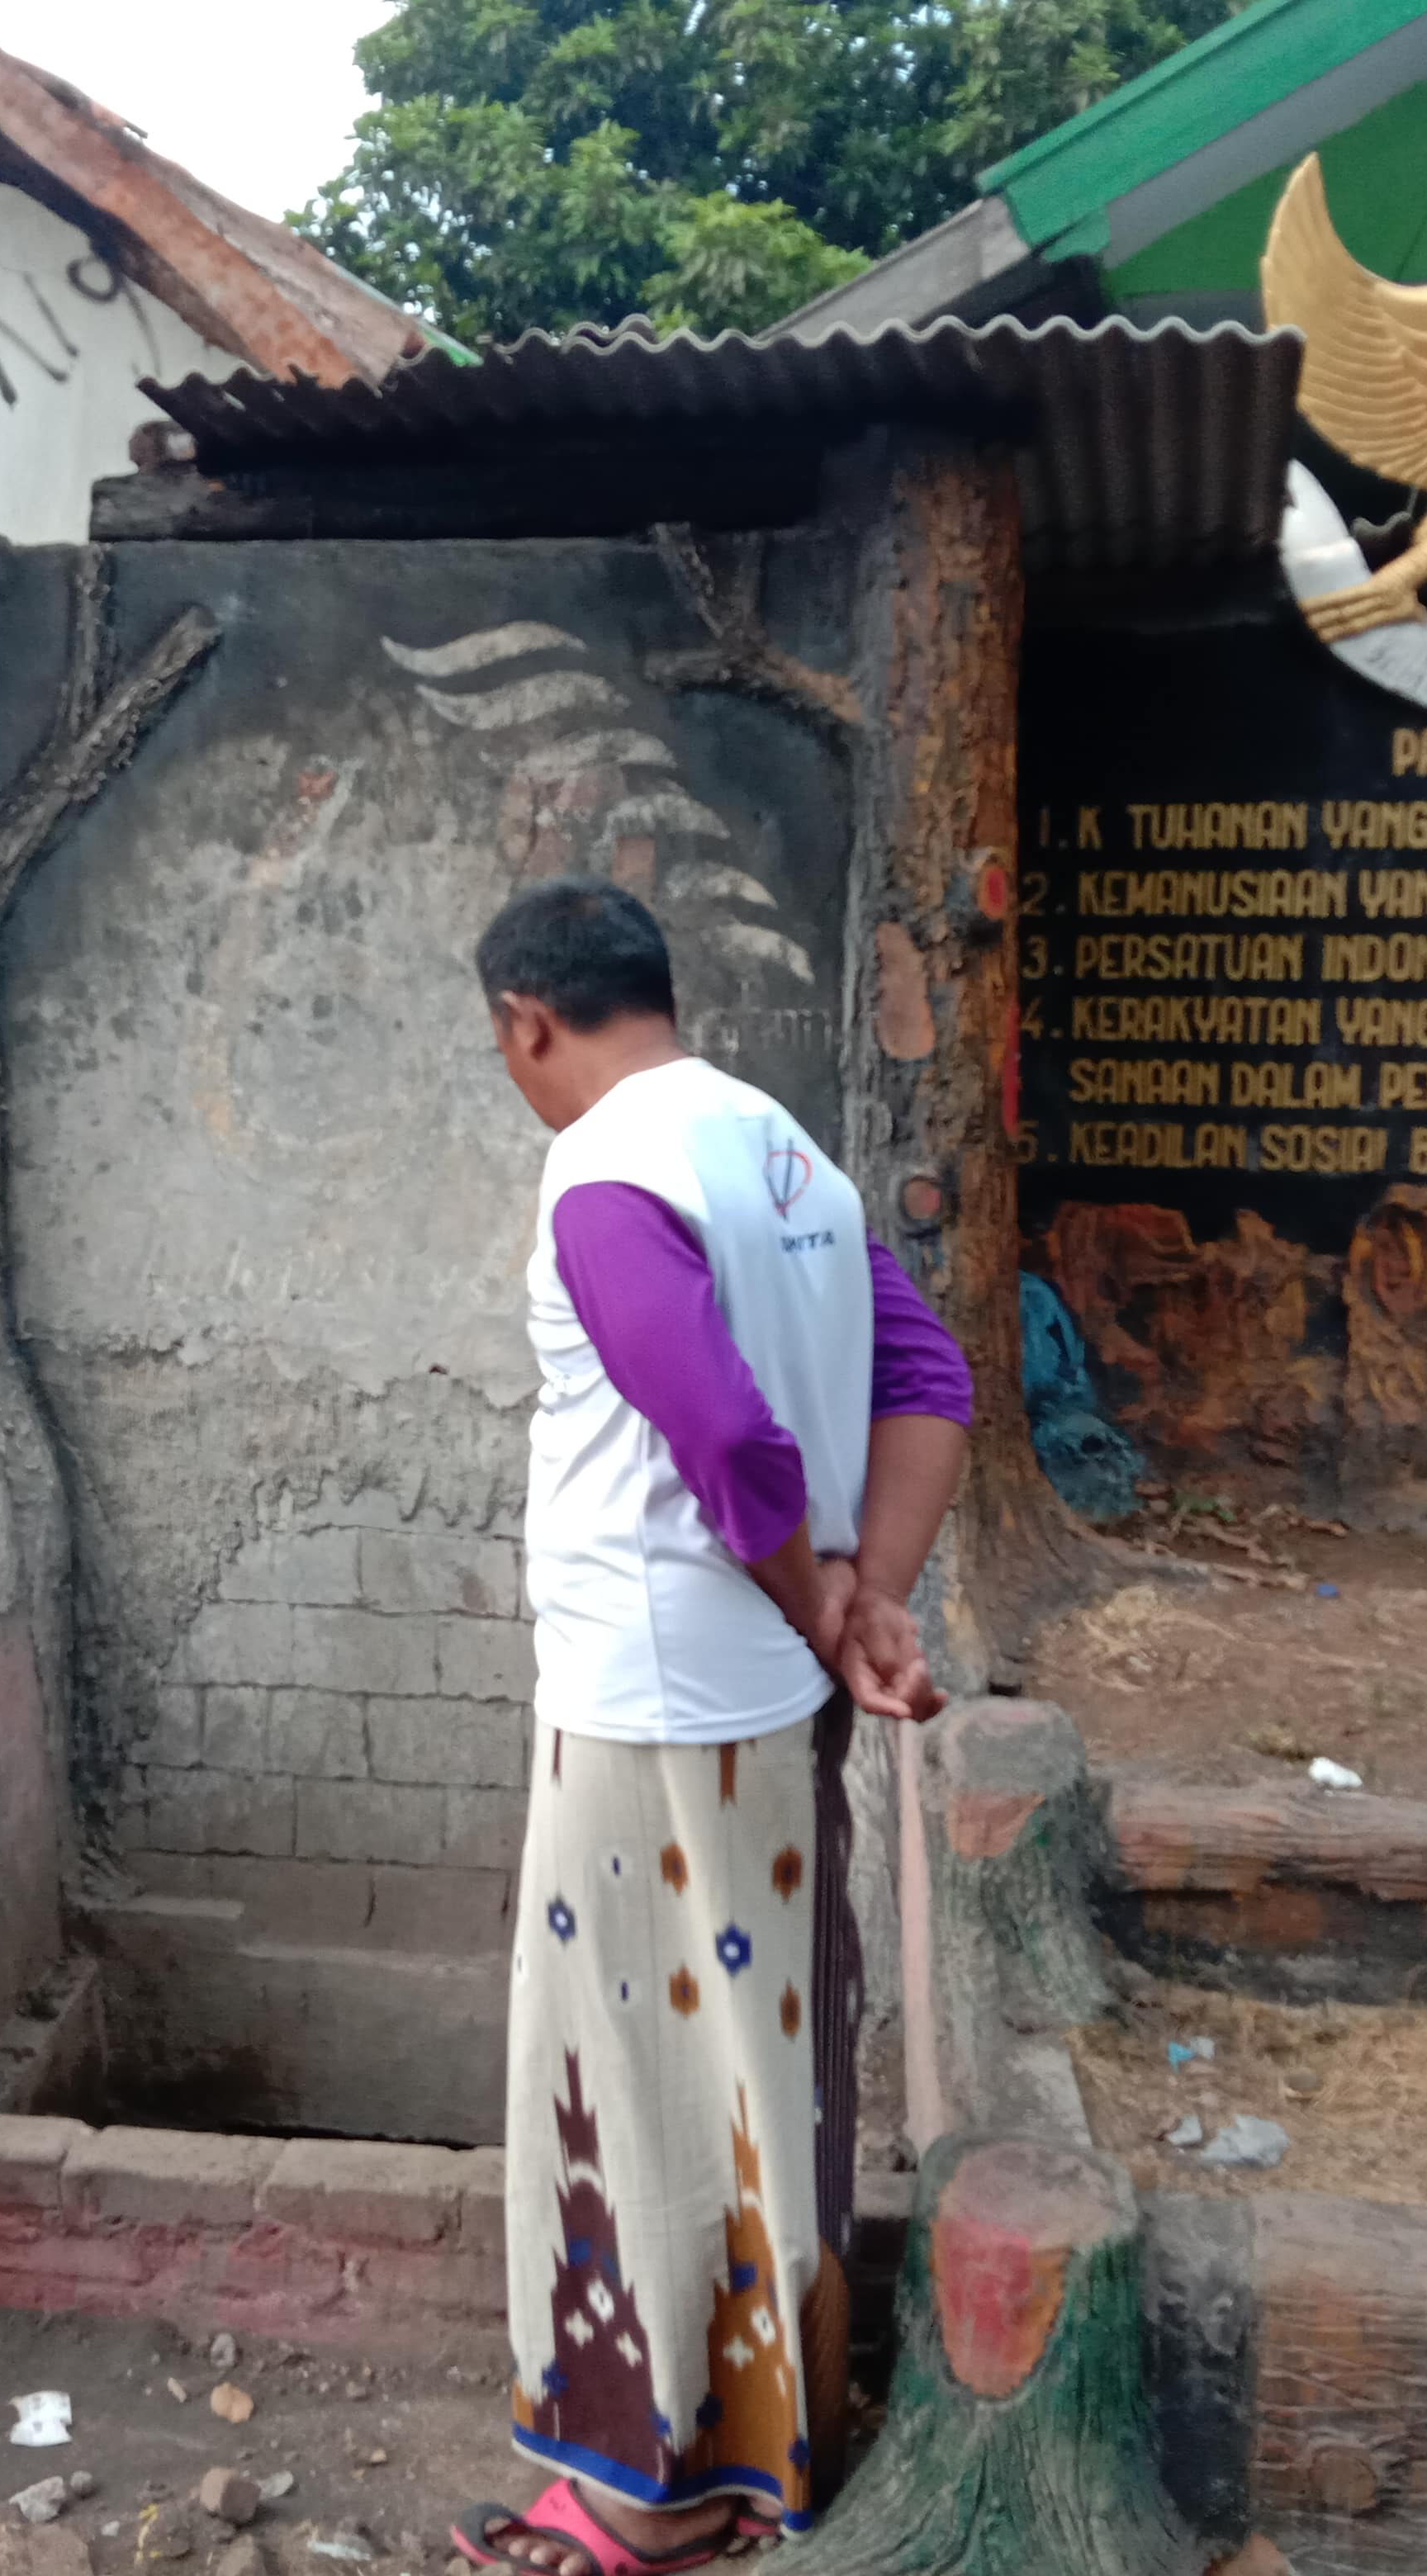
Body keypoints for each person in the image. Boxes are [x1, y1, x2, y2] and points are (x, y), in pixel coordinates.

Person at [453, 878, 972, 2576]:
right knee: (768, 2067)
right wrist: (866, 1598)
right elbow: (929, 1375)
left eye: (507, 1045)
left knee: (638, 2082)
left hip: (651, 1706)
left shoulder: (604, 1177)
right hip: (773, 1710)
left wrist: (826, 1602)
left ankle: (650, 2489)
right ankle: (767, 2456)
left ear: (528, 1023)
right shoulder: (784, 1156)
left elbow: (727, 1446)